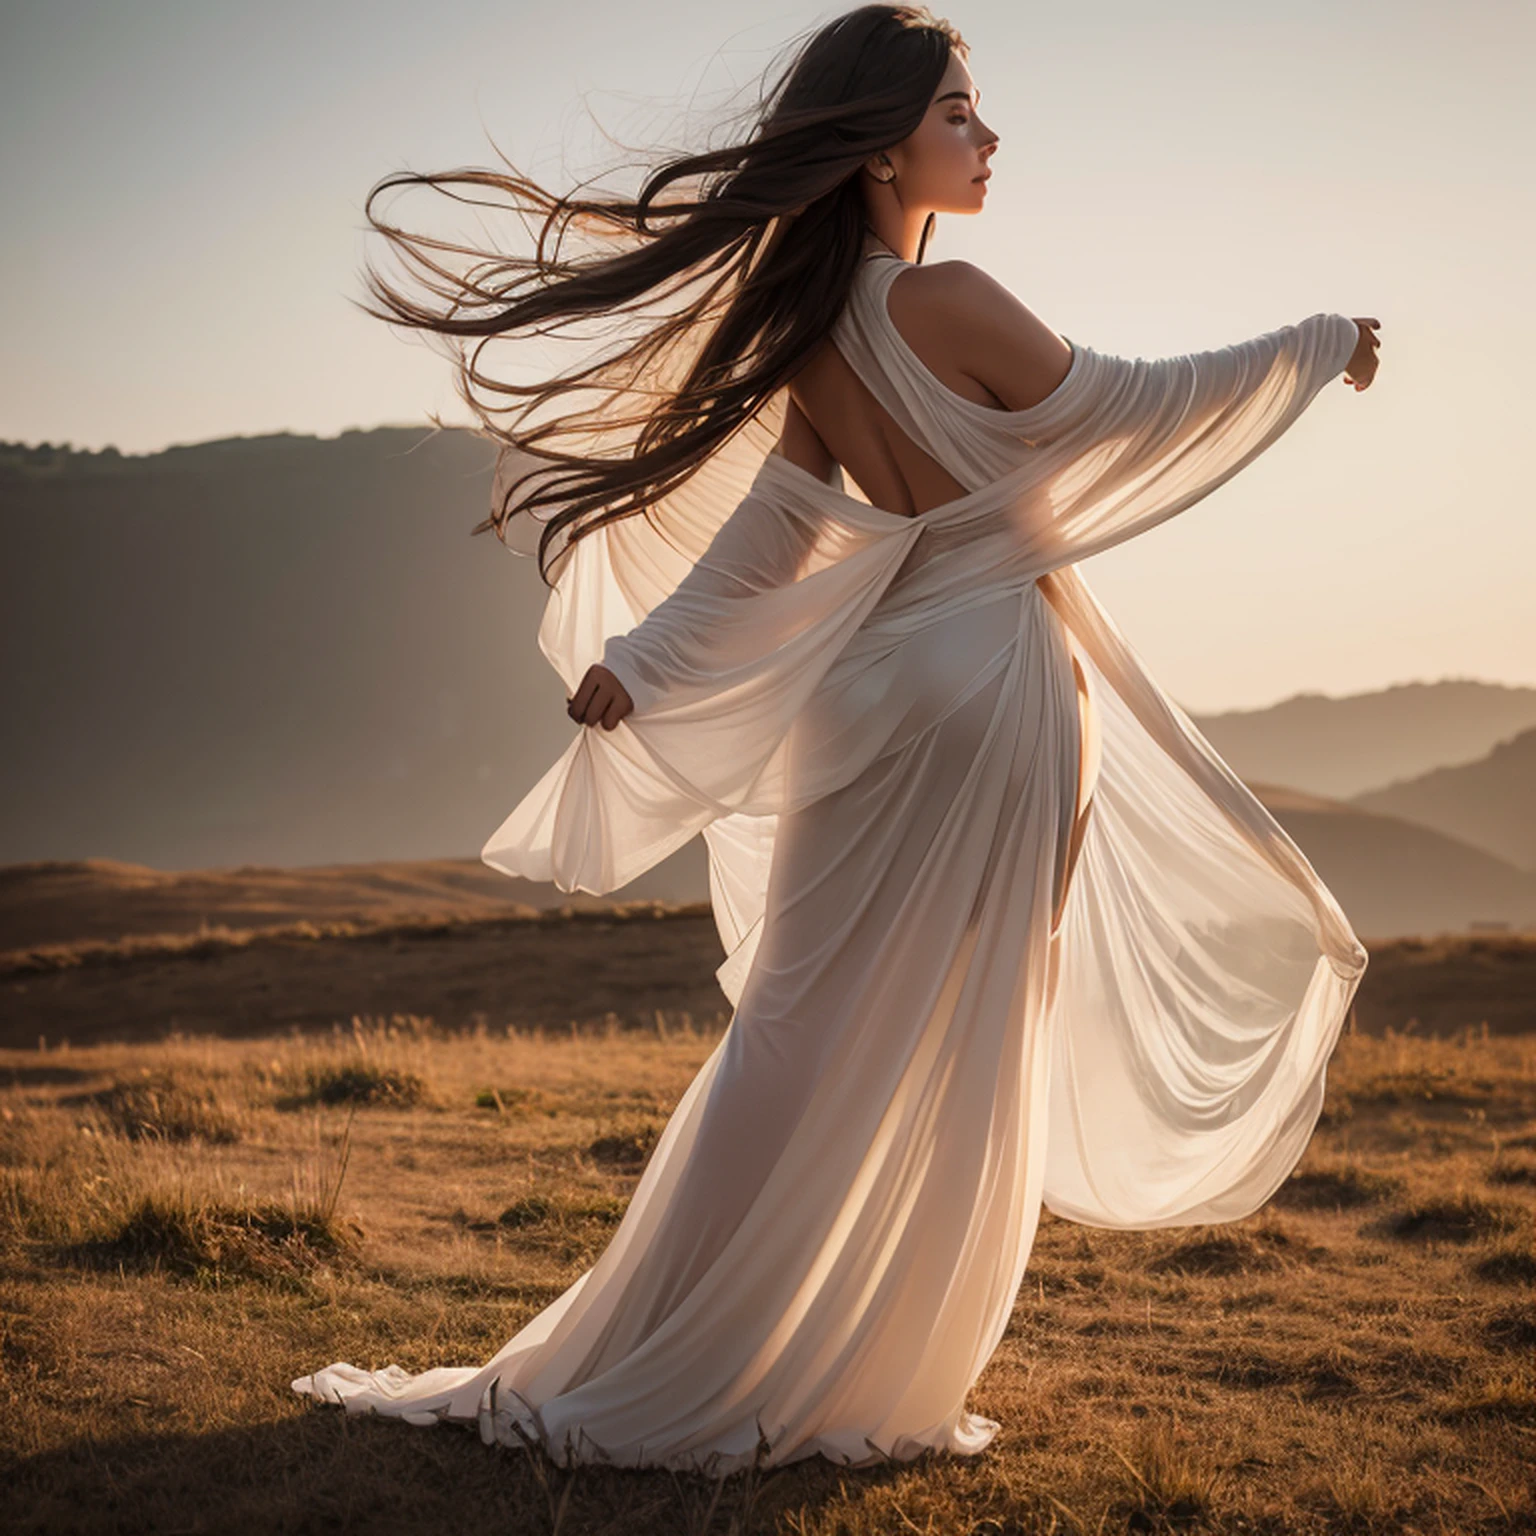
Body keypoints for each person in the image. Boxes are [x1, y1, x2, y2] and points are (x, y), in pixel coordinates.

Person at [293, 3, 1380, 1475]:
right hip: (990, 685)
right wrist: (1318, 345)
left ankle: (673, 1348)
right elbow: (1137, 409)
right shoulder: (956, 302)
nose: (987, 137)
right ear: (879, 151)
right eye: (957, 114)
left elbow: (771, 542)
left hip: (866, 694)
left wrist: (645, 661)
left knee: (797, 1035)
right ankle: (858, 1376)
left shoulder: (814, 334)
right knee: (956, 1041)